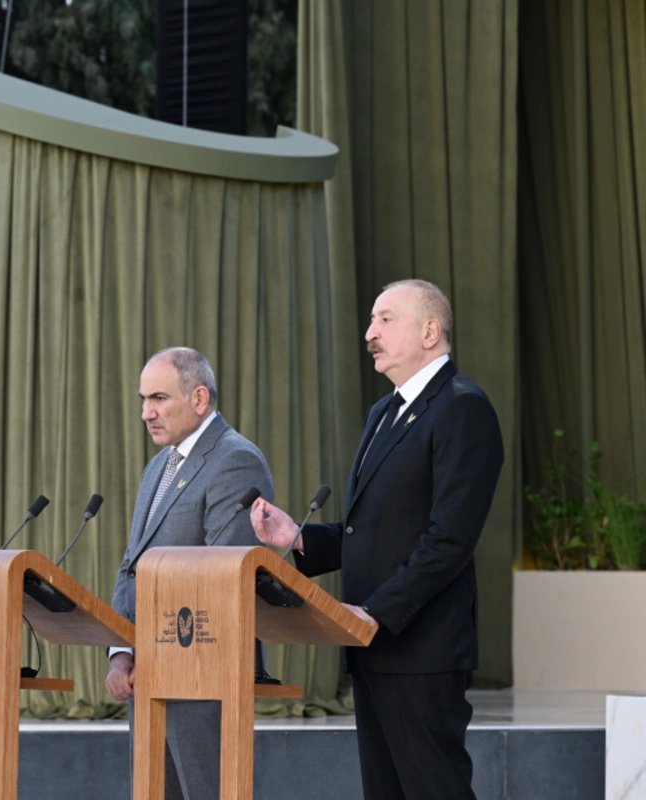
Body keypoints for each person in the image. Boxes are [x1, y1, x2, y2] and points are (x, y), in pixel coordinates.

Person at [250, 279, 504, 800]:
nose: (370, 333)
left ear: (430, 331)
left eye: (386, 320)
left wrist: (379, 612)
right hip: (370, 642)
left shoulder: (462, 407)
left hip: (420, 647)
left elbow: (448, 540)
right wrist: (299, 538)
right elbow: (373, 529)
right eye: (370, 321)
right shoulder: (383, 411)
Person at [107, 347, 274, 800]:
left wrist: (159, 654)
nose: (147, 412)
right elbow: (133, 564)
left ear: (199, 399)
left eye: (159, 398)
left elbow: (225, 577)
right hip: (152, 678)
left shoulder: (236, 461)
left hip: (204, 679)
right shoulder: (159, 467)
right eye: (144, 400)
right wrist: (122, 650)